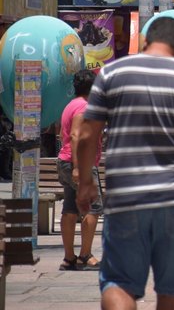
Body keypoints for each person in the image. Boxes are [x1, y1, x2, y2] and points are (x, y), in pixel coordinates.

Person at [76, 16, 174, 310]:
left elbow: (86, 134)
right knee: (172, 291)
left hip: (125, 197)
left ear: (144, 40)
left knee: (119, 283)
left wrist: (85, 182)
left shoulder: (112, 73)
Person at [57, 69, 102, 271]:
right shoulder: (84, 108)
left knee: (70, 208)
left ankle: (69, 257)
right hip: (80, 164)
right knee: (93, 208)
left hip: (65, 160)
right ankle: (85, 254)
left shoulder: (70, 106)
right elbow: (76, 136)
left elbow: (62, 135)